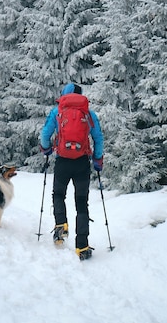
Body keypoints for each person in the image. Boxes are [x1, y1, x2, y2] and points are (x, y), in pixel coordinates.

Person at [39, 83, 104, 260]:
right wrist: (98, 160)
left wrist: (46, 149)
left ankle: (61, 224)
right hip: (82, 162)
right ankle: (82, 246)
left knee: (58, 194)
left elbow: (45, 134)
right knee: (82, 201)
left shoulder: (57, 112)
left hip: (63, 161)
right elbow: (98, 138)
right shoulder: (88, 114)